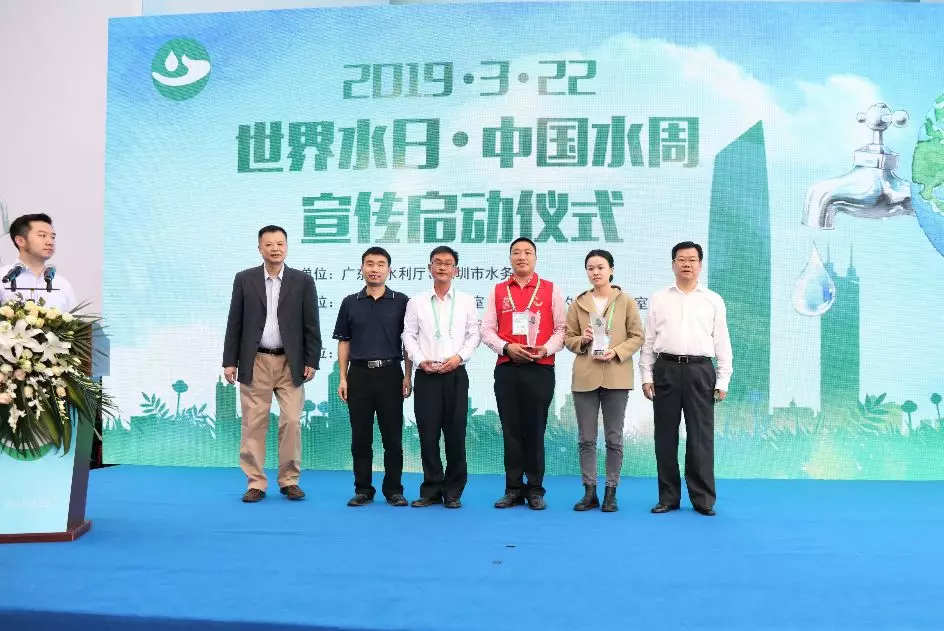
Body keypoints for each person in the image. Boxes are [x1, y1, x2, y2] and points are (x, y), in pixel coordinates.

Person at [223, 225, 322, 503]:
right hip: (255, 360)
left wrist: (311, 359)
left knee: (291, 421)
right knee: (254, 424)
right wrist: (230, 361)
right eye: (269, 244)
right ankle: (255, 482)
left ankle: (289, 481)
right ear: (260, 249)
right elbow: (234, 322)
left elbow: (311, 324)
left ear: (286, 247)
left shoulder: (303, 281)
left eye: (280, 243)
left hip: (291, 362)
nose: (275, 248)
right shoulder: (244, 279)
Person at [639, 241, 732, 517]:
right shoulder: (659, 298)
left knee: (700, 437)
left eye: (692, 260)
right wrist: (646, 375)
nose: (687, 264)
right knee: (665, 436)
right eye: (681, 259)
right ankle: (668, 497)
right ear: (673, 265)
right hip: (666, 368)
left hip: (700, 371)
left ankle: (703, 499)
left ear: (700, 265)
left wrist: (723, 379)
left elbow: (722, 341)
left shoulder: (713, 299)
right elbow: (649, 341)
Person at [481, 237, 566, 510]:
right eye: (516, 252)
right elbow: (486, 330)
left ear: (535, 258)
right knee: (511, 430)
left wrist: (545, 349)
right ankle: (513, 489)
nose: (522, 257)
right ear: (510, 259)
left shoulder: (550, 289)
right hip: (507, 368)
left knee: (536, 429)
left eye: (527, 252)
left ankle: (535, 490)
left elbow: (562, 329)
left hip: (540, 368)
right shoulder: (498, 290)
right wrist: (507, 347)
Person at [564, 250, 644, 512]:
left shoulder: (626, 301)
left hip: (616, 375)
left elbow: (637, 336)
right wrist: (583, 339)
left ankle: (611, 491)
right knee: (586, 438)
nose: (595, 272)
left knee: (614, 438)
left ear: (611, 270)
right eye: (590, 268)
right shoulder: (578, 303)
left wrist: (617, 351)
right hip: (585, 376)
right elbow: (568, 338)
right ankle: (589, 491)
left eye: (600, 267)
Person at [401, 246, 480, 509]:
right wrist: (421, 360)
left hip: (455, 373)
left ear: (456, 270)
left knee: (455, 433)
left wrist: (459, 357)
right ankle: (432, 488)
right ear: (429, 268)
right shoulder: (417, 302)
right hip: (427, 375)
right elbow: (408, 335)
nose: (443, 267)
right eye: (438, 262)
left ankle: (453, 491)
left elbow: (474, 335)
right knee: (428, 434)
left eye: (448, 263)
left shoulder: (467, 301)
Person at [334, 247, 412, 507]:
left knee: (393, 438)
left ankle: (394, 490)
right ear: (362, 268)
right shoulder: (350, 302)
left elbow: (408, 343)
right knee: (360, 438)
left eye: (380, 264)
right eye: (370, 264)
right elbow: (344, 342)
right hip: (358, 375)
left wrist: (408, 376)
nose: (374, 269)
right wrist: (342, 377)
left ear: (389, 269)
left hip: (391, 374)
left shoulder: (401, 301)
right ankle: (363, 490)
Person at [0, 213, 76, 312]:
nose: (50, 242)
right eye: (42, 235)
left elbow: (75, 320)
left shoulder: (62, 284)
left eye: (52, 237)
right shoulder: (2, 277)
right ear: (20, 241)